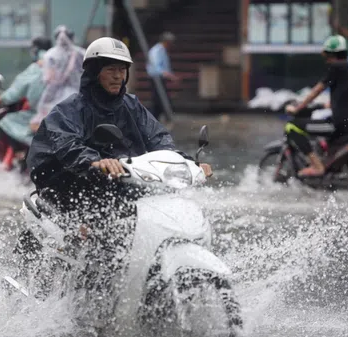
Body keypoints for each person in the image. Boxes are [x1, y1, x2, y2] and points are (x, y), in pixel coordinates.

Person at [26, 37, 212, 319]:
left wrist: (187, 162)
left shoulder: (131, 106)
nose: (118, 75)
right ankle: (90, 306)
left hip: (124, 183)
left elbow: (159, 138)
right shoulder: (70, 109)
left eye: (122, 69)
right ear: (93, 71)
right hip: (75, 187)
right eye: (110, 68)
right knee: (101, 240)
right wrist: (94, 161)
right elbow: (67, 144)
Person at [285, 35, 348, 177]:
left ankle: (317, 166)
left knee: (292, 126)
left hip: (341, 125)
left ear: (330, 55)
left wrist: (298, 107)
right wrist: (327, 105)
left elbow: (316, 91)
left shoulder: (335, 68)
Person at [0, 36, 52, 170]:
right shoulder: (61, 64)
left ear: (36, 50)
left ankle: (9, 164)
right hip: (60, 115)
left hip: (38, 114)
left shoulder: (37, 66)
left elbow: (17, 89)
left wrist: (1, 99)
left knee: (5, 123)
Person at [30, 25, 84, 133]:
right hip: (77, 93)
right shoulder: (81, 53)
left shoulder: (50, 55)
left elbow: (48, 79)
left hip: (54, 94)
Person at [146, 31, 180, 126]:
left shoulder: (163, 51)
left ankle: (156, 121)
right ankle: (154, 121)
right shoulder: (156, 51)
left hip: (160, 78)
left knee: (160, 100)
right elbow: (157, 68)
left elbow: (165, 67)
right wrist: (171, 76)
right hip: (156, 78)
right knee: (159, 100)